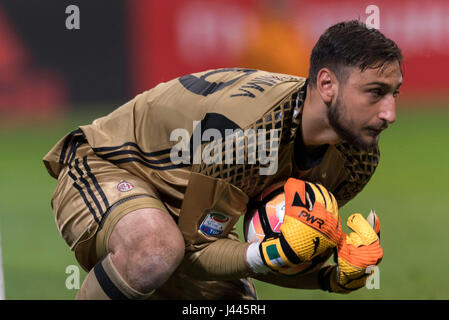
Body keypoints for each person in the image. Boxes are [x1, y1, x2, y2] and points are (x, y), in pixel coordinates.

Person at [43, 20, 402, 299]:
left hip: (190, 206)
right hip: (105, 164)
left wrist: (329, 275)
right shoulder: (251, 131)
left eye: (394, 94)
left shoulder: (357, 158)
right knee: (154, 249)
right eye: (375, 93)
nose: (390, 113)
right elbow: (197, 252)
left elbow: (281, 248)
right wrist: (268, 253)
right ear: (327, 85)